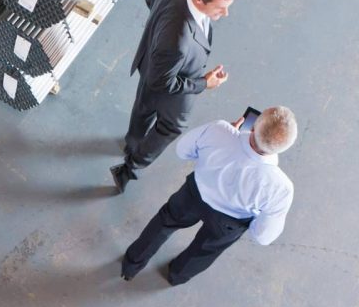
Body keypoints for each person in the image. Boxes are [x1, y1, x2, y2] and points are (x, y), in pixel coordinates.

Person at [120, 106, 297, 285]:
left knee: (164, 223)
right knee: (203, 252)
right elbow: (263, 236)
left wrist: (224, 136)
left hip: (192, 194)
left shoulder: (218, 130)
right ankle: (176, 276)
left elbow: (182, 151)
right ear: (283, 147)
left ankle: (131, 265)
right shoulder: (281, 188)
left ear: (253, 126)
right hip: (228, 223)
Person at [111, 0, 235, 193]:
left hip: (151, 64)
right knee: (171, 126)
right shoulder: (177, 41)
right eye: (220, 8)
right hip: (169, 79)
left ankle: (132, 142)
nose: (225, 13)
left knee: (144, 105)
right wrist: (204, 83)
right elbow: (163, 83)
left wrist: (158, 39)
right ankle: (130, 167)